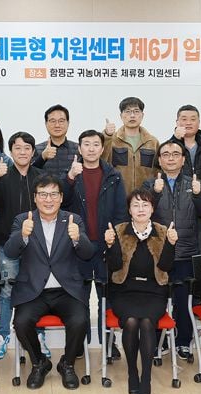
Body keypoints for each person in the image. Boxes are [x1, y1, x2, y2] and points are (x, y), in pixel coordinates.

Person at [4, 174, 95, 390]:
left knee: (80, 320)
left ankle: (67, 364)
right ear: (35, 198)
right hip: (34, 290)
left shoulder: (73, 220)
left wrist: (78, 238)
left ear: (61, 197)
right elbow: (9, 252)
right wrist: (22, 236)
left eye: (53, 194)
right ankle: (39, 363)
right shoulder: (23, 220)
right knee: (21, 323)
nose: (48, 199)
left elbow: (88, 253)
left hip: (66, 290)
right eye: (43, 194)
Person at [105, 188, 178, 394]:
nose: (140, 209)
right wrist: (110, 245)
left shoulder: (163, 231)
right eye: (135, 205)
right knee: (130, 321)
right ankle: (132, 373)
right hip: (124, 291)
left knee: (147, 323)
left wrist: (171, 245)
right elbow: (114, 267)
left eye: (145, 205)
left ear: (152, 209)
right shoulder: (118, 230)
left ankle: (146, 378)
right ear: (129, 210)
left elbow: (166, 267)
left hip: (154, 292)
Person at [143, 140, 201, 360]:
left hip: (186, 253)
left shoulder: (194, 183)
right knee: (156, 300)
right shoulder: (150, 184)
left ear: (183, 160)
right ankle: (157, 342)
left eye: (175, 154)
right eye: (165, 154)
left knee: (184, 302)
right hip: (157, 254)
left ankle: (183, 342)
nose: (171, 158)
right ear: (160, 160)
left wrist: (199, 194)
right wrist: (154, 194)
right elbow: (140, 213)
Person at [61, 129, 127, 358]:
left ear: (102, 148)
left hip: (104, 244)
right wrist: (70, 178)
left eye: (95, 144)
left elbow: (121, 211)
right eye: (86, 144)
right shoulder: (71, 174)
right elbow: (61, 203)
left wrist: (114, 237)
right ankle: (78, 343)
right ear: (79, 148)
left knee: (106, 297)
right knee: (78, 297)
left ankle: (108, 342)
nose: (91, 148)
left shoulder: (113, 175)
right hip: (77, 245)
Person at [0, 131, 44, 360]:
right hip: (7, 244)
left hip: (37, 245)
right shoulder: (4, 175)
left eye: (27, 148)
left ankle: (38, 335)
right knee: (7, 290)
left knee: (38, 290)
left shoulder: (40, 177)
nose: (22, 152)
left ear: (33, 152)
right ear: (11, 151)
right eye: (17, 148)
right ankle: (3, 335)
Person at [102, 96, 160, 194]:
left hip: (145, 197)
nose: (132, 115)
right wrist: (107, 136)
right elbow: (101, 162)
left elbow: (158, 170)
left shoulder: (152, 142)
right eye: (128, 111)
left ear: (142, 115)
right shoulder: (112, 140)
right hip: (118, 196)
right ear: (121, 116)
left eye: (136, 111)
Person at [169, 104, 201, 199]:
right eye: (184, 119)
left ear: (199, 123)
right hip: (176, 201)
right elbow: (160, 167)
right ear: (177, 122)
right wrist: (175, 139)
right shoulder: (168, 147)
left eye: (193, 119)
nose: (188, 123)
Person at [32, 104, 80, 179]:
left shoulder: (79, 149)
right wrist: (42, 157)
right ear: (46, 124)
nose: (57, 125)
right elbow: (29, 174)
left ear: (68, 123)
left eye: (61, 121)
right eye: (52, 121)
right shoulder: (36, 150)